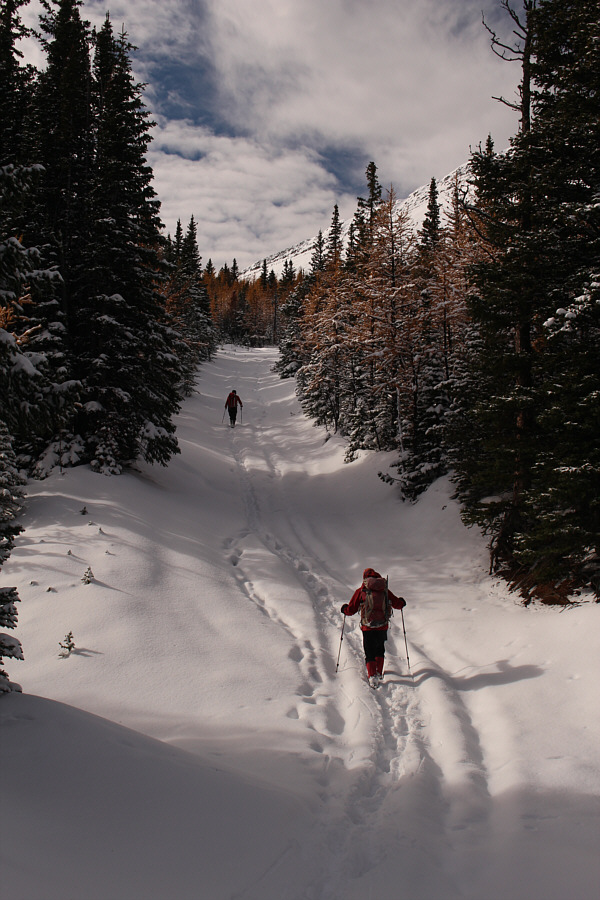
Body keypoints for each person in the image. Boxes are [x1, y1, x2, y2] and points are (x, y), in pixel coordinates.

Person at [341, 567, 406, 687]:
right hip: (382, 625)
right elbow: (396, 603)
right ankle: (379, 672)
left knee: (369, 650)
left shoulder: (361, 590)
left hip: (368, 626)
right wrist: (402, 602)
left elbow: (351, 609)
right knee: (379, 648)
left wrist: (345, 609)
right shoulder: (384, 589)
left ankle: (372, 676)